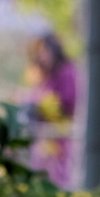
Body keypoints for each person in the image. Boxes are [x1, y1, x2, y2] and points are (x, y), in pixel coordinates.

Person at [25, 31, 77, 188]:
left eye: (44, 52)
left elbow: (67, 103)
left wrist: (43, 105)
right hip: (43, 136)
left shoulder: (67, 72)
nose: (42, 56)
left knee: (58, 177)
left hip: (60, 136)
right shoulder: (44, 74)